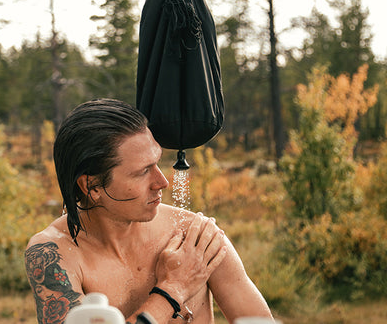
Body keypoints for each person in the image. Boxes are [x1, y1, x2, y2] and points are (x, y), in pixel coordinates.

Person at [25, 98, 274, 324]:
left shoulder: (195, 238)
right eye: (142, 172)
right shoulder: (53, 254)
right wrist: (173, 289)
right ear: (91, 186)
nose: (162, 182)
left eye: (157, 163)